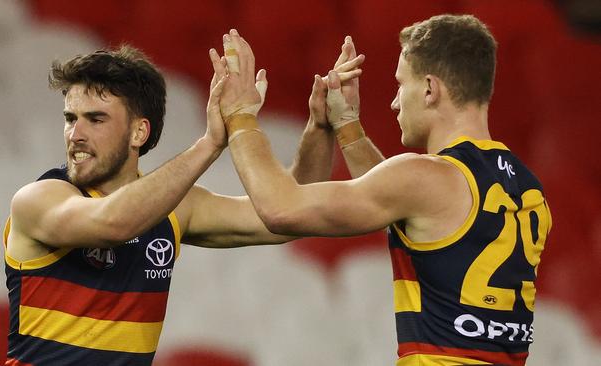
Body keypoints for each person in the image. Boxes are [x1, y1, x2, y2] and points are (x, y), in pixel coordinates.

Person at [217, 15, 551, 366]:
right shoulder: (527, 187)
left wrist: (240, 115)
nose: (394, 103)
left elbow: (279, 209)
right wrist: (346, 126)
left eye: (400, 85)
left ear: (429, 89)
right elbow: (403, 202)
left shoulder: (426, 176)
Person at [3, 44, 362, 365]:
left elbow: (288, 213)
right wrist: (210, 142)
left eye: (95, 119)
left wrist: (320, 126)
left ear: (138, 133)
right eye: (70, 118)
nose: (75, 134)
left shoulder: (175, 210)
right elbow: (113, 223)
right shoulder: (38, 200)